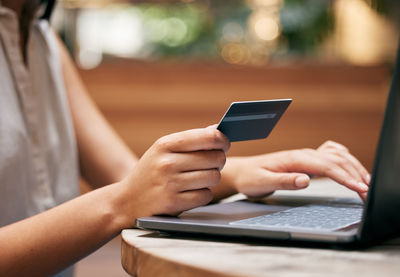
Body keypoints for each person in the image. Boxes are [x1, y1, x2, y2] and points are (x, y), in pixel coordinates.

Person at [0, 0, 370, 276]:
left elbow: (123, 177)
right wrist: (122, 203)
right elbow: (126, 194)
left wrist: (239, 171)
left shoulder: (41, 36)